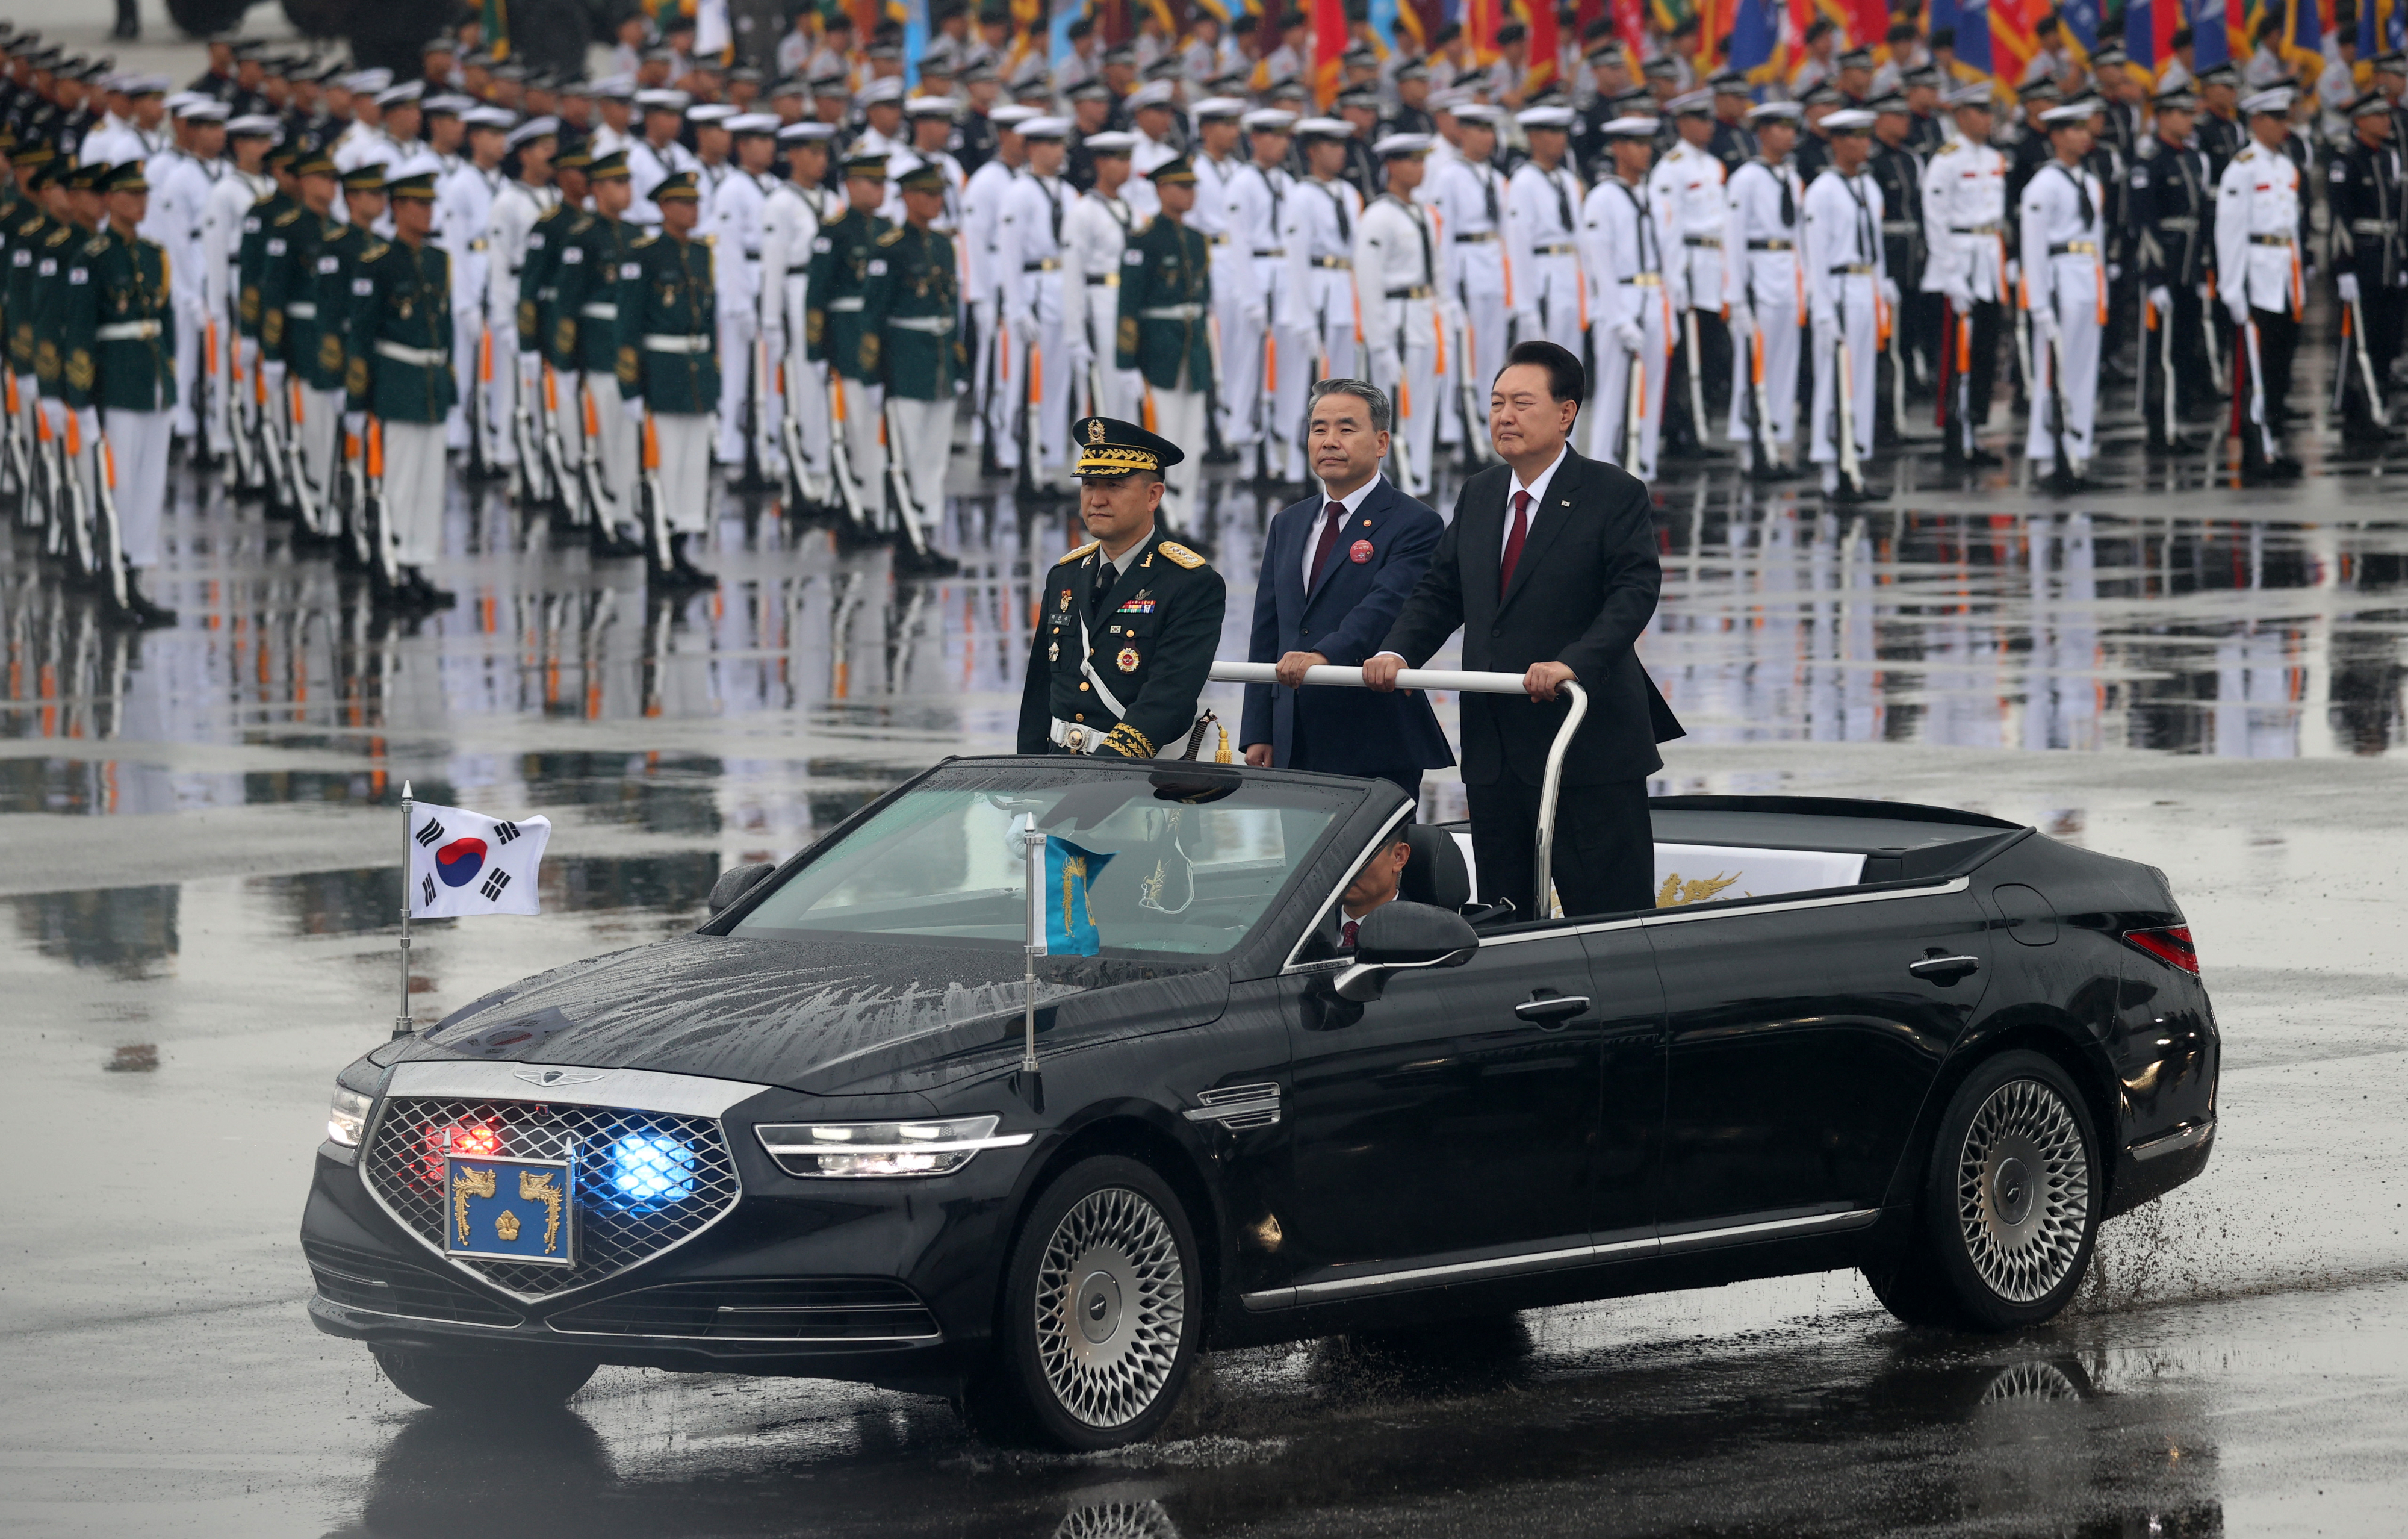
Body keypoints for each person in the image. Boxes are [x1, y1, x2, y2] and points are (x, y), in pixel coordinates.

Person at [1367, 340, 1681, 919]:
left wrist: (1574, 663)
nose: (1504, 417)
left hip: (1583, 744)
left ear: (1566, 413)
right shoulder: (1481, 493)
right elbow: (1441, 593)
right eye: (1496, 404)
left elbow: (1632, 595)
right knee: (1504, 917)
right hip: (1497, 749)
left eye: (1521, 403)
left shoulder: (1612, 494)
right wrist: (1396, 652)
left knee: (1609, 916)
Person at [1241, 378, 1452, 800]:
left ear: (1381, 442)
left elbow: (1385, 607)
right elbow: (1268, 629)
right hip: (1293, 735)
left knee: (1371, 865)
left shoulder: (1414, 522)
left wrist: (1323, 657)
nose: (1329, 441)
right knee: (1300, 865)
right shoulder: (1290, 523)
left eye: (1346, 429)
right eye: (1319, 429)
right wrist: (1258, 730)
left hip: (1370, 735)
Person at [1014, 414, 1224, 760]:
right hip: (1058, 767)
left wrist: (1104, 771)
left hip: (1134, 777)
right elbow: (1040, 690)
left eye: (1114, 486)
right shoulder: (1065, 575)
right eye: (1089, 484)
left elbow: (1169, 696)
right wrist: (1028, 775)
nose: (1096, 500)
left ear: (1153, 496)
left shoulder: (1191, 583)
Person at [58, 160, 175, 624]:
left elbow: (163, 325)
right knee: (118, 489)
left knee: (148, 491)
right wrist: (82, 400)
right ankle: (114, 587)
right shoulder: (93, 256)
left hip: (153, 382)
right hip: (117, 385)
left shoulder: (152, 254)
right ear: (109, 200)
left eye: (144, 194)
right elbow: (80, 334)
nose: (140, 203)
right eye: (130, 195)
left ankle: (137, 579)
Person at [343, 171, 455, 612]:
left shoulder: (437, 261)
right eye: (418, 205)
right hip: (398, 383)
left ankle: (416, 566)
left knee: (430, 484)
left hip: (430, 383)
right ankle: (389, 567)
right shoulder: (378, 263)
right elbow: (361, 335)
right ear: (399, 209)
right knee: (401, 482)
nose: (427, 212)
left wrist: (450, 384)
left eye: (430, 204)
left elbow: (442, 329)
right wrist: (357, 397)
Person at [616, 170, 719, 588]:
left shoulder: (699, 254)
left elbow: (707, 319)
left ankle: (680, 549)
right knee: (664, 465)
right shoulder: (644, 256)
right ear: (663, 208)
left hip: (695, 372)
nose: (692, 210)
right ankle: (659, 555)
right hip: (662, 373)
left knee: (692, 468)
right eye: (683, 203)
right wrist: (629, 384)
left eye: (695, 202)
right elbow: (628, 323)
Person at [863, 158, 963, 556]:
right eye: (927, 194)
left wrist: (961, 363)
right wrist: (872, 374)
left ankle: (928, 528)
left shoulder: (943, 245)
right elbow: (873, 314)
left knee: (935, 454)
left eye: (940, 194)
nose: (936, 201)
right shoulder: (889, 249)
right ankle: (908, 535)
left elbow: (952, 310)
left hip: (939, 361)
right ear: (906, 197)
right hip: (906, 362)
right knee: (907, 450)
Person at [1116, 156, 1214, 521]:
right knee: (1164, 436)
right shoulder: (1145, 240)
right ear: (1161, 190)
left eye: (1192, 187)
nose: (1190, 194)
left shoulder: (1196, 240)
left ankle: (1184, 513)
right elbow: (1128, 305)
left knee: (1192, 438)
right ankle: (1163, 516)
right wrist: (1125, 362)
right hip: (1160, 351)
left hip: (1193, 349)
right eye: (1181, 187)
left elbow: (1204, 302)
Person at [2217, 87, 2307, 484]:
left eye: (2286, 117)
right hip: (2256, 276)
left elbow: (2293, 231)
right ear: (2257, 122)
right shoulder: (2243, 168)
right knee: (2253, 367)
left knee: (2278, 367)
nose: (2283, 126)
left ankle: (2274, 443)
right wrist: (2231, 286)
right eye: (2276, 118)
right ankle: (2256, 449)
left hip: (2284, 276)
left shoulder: (2286, 169)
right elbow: (2230, 232)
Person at [1801, 108, 1888, 502]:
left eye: (1866, 135)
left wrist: (1882, 288)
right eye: (1854, 136)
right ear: (1836, 143)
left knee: (1861, 381)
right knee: (1834, 383)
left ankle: (1855, 462)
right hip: (1836, 287)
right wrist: (1821, 307)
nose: (1864, 143)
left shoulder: (1868, 187)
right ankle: (1831, 472)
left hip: (1864, 285)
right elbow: (1814, 255)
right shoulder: (1823, 191)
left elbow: (1876, 247)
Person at [2019, 101, 2107, 488]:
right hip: (2058, 279)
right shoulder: (2044, 184)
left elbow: (2097, 239)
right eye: (2073, 129)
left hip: (2087, 276)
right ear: (2055, 137)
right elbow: (2033, 247)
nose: (2083, 136)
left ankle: (2079, 450)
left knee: (2084, 371)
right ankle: (2048, 456)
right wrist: (2038, 302)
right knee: (2054, 371)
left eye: (2084, 129)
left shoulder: (2089, 181)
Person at [1352, 134, 1444, 497]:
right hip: (1395, 319)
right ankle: (1389, 486)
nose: (1419, 168)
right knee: (1389, 414)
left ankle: (1418, 482)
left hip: (1421, 315)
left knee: (1423, 405)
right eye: (1411, 161)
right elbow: (1368, 283)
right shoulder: (1379, 215)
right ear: (1390, 166)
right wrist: (1380, 344)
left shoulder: (1422, 212)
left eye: (1422, 161)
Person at [808, 150, 897, 518]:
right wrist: (815, 349)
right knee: (857, 421)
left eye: (883, 183)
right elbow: (817, 294)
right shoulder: (834, 231)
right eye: (872, 183)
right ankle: (857, 499)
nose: (880, 191)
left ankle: (881, 500)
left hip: (880, 338)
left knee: (881, 425)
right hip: (846, 338)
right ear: (850, 185)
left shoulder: (887, 231)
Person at [1581, 114, 1669, 480]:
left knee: (1650, 399)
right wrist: (1618, 318)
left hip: (1652, 297)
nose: (1644, 151)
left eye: (1648, 143)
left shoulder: (1651, 194)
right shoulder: (1603, 198)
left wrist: (1670, 315)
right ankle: (1602, 478)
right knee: (1613, 399)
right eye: (1635, 143)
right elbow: (1599, 265)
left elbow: (1666, 257)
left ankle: (1642, 474)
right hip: (1620, 301)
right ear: (1617, 149)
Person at [1925, 84, 2008, 467]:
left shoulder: (1994, 157)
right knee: (1955, 355)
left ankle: (1975, 428)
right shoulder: (1947, 160)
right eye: (1979, 111)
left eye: (1990, 111)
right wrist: (1949, 274)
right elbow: (1936, 221)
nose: (1987, 119)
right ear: (1960, 115)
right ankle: (1955, 434)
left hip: (1988, 261)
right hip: (1958, 262)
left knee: (1985, 352)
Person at [1725, 100, 1806, 476]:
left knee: (1784, 363)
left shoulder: (1790, 176)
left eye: (1792, 127)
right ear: (1764, 132)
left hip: (1787, 272)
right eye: (1782, 127)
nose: (1790, 134)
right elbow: (1734, 238)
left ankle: (1777, 444)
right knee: (1752, 365)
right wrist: (1736, 297)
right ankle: (1751, 446)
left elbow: (1800, 236)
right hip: (1758, 273)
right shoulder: (1747, 178)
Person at [1651, 90, 1728, 460]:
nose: (1707, 126)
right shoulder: (1672, 166)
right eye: (1699, 119)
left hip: (1714, 265)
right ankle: (1678, 429)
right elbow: (1669, 226)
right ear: (1682, 123)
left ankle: (1698, 423)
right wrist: (1675, 278)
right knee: (1684, 357)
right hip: (1690, 264)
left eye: (1710, 119)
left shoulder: (1713, 166)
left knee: (1711, 353)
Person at [2327, 92, 2400, 450]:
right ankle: (2360, 413)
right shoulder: (2346, 161)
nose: (2387, 122)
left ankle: (2376, 403)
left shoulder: (2390, 158)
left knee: (2387, 340)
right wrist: (2344, 267)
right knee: (2361, 340)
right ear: (2360, 121)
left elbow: (2400, 215)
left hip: (2388, 259)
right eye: (2378, 116)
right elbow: (2340, 217)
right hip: (2362, 260)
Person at [1506, 104, 1584, 359]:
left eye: (1562, 132)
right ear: (1533, 137)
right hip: (1543, 276)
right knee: (1542, 363)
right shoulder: (1524, 181)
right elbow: (1518, 244)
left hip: (1570, 273)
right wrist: (1525, 305)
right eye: (1552, 132)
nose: (1560, 139)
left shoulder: (1568, 181)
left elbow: (1581, 237)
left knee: (1571, 360)